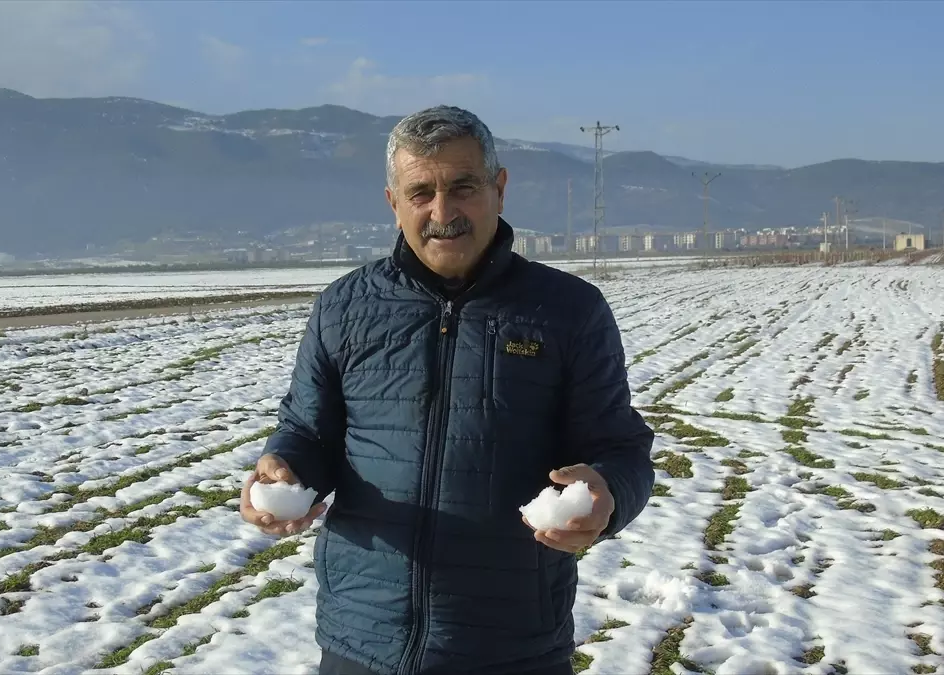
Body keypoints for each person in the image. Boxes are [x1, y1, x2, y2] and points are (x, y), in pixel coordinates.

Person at [239, 105, 655, 675]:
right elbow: (308, 430)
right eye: (421, 193)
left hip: (511, 642)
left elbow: (619, 446)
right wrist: (283, 470)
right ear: (393, 203)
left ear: (499, 188)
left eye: (463, 187)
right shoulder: (343, 307)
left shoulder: (566, 311)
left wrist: (607, 494)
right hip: (363, 637)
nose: (443, 212)